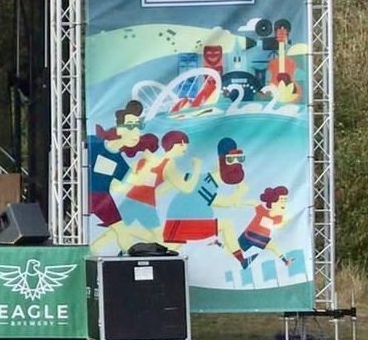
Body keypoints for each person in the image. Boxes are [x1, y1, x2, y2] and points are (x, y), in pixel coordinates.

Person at [163, 137, 254, 251]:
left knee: (169, 256)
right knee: (226, 225)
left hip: (181, 224)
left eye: (239, 160)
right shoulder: (205, 182)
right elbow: (224, 202)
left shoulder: (205, 180)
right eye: (230, 161)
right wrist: (239, 193)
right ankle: (242, 260)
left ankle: (241, 259)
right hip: (179, 225)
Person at [88, 100, 150, 253]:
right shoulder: (93, 144)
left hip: (101, 198)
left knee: (121, 230)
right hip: (81, 194)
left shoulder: (120, 162)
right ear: (118, 128)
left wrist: (148, 164)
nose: (135, 132)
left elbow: (131, 182)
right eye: (130, 126)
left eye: (138, 126)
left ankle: (127, 265)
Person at [232, 186, 293, 269]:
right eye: (282, 201)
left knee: (272, 245)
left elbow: (276, 223)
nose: (284, 204)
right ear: (273, 202)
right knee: (233, 250)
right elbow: (255, 202)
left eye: (285, 201)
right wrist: (239, 202)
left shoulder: (279, 218)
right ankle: (285, 261)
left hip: (253, 237)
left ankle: (285, 261)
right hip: (249, 235)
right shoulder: (263, 211)